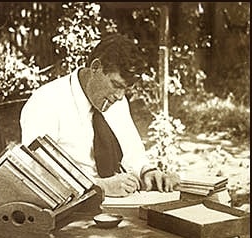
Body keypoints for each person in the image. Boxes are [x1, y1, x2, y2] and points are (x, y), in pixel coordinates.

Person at [20, 33, 180, 197]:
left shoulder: (116, 102)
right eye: (116, 84)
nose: (119, 96)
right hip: (72, 207)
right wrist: (99, 186)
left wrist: (147, 171)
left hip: (120, 203)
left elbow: (133, 153)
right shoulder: (47, 102)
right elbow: (37, 172)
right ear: (95, 68)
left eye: (125, 89)